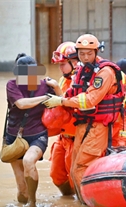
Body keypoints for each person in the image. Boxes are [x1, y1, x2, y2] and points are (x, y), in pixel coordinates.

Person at [43, 34, 126, 202]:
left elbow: (90, 99)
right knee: (74, 170)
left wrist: (61, 100)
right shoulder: (81, 71)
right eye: (82, 53)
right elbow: (73, 94)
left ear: (96, 52)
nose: (86, 57)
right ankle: (82, 205)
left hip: (97, 126)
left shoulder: (105, 72)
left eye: (89, 53)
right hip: (83, 125)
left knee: (83, 168)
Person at [6, 54, 54, 207]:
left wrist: (57, 88)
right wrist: (44, 97)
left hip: (37, 135)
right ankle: (25, 205)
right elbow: (21, 104)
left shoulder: (46, 85)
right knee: (22, 191)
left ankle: (32, 205)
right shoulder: (12, 85)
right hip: (14, 137)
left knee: (28, 161)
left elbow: (63, 102)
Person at [45, 41, 79, 196]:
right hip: (63, 137)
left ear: (74, 62)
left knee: (75, 177)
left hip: (76, 137)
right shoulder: (63, 80)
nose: (60, 68)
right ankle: (69, 200)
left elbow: (72, 105)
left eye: (63, 64)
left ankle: (79, 206)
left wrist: (58, 91)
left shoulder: (81, 81)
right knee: (56, 176)